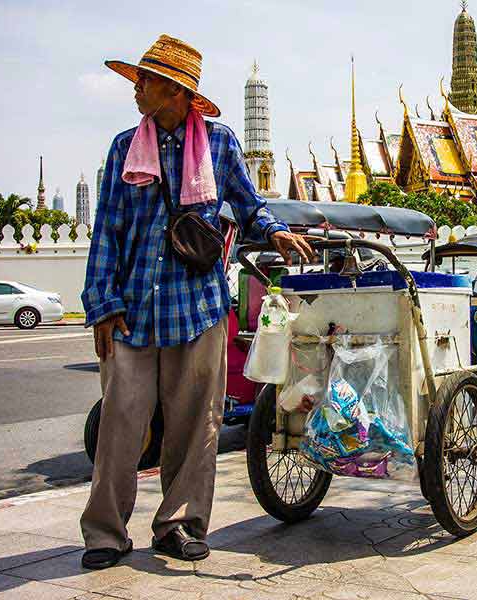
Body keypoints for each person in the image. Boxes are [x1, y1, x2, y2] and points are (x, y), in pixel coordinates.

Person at [79, 35, 314, 570]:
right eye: (138, 79)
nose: (137, 89)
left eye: (146, 80)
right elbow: (107, 232)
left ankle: (179, 526)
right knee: (121, 424)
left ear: (176, 90)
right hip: (133, 309)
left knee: (196, 426)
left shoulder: (219, 143)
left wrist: (275, 234)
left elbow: (250, 206)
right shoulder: (124, 149)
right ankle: (105, 533)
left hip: (199, 307)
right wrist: (102, 303)